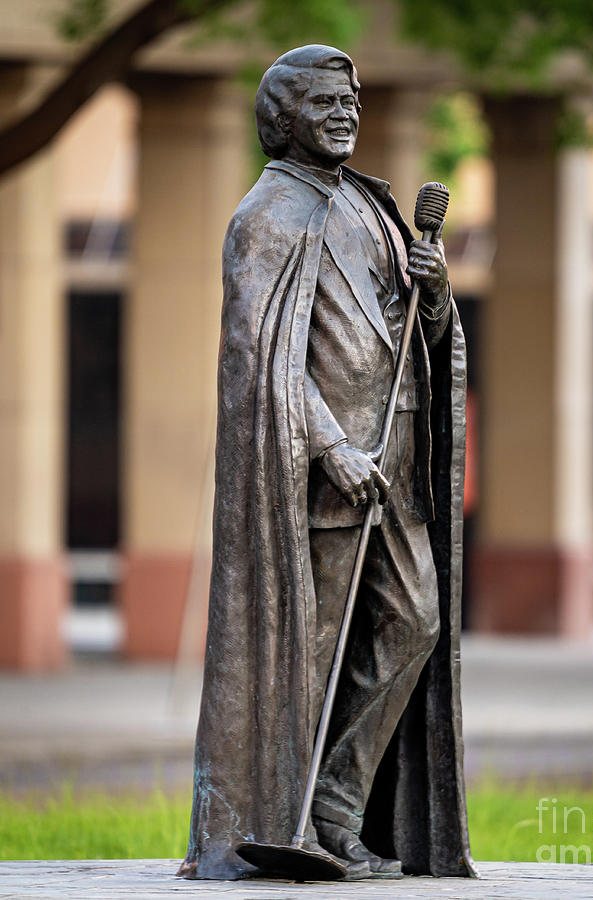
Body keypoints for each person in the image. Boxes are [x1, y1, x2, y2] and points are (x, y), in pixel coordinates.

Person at [179, 44, 474, 881]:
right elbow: (258, 360)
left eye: (350, 99)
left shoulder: (374, 207)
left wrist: (438, 289)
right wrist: (331, 444)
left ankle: (339, 809)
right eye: (323, 101)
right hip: (320, 479)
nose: (345, 112)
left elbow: (413, 329)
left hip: (397, 464)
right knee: (303, 658)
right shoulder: (267, 218)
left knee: (412, 623)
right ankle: (290, 821)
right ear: (282, 118)